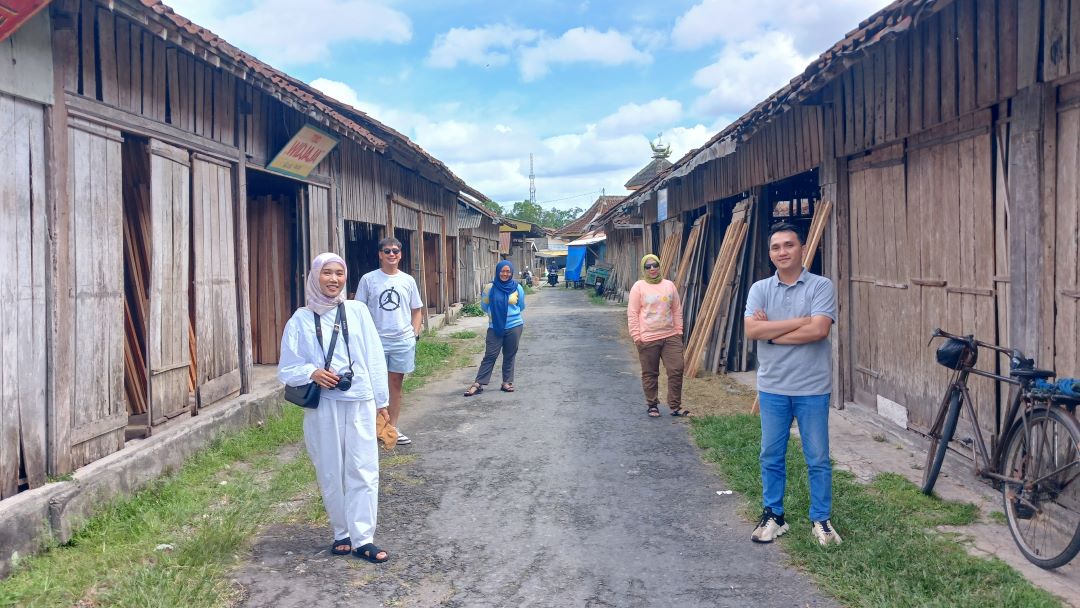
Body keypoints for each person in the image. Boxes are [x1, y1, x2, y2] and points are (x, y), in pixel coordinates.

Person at [278, 252, 391, 563]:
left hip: (360, 401)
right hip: (323, 406)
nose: (333, 279)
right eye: (327, 272)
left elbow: (374, 356)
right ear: (315, 277)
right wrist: (312, 372)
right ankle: (341, 532)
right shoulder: (300, 319)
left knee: (363, 469)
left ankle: (363, 538)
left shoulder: (357, 311)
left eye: (339, 273)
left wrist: (382, 401)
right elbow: (286, 368)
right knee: (330, 469)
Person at [743, 222, 841, 546]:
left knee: (818, 457)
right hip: (773, 387)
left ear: (802, 249)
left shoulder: (820, 286)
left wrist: (772, 332)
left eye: (789, 245)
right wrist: (801, 321)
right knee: (771, 454)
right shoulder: (760, 289)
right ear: (770, 253)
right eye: (775, 247)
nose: (782, 252)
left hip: (812, 387)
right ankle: (774, 515)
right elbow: (752, 331)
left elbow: (819, 330)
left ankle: (821, 519)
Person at [356, 237, 424, 446]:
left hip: (402, 341)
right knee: (372, 385)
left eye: (395, 251)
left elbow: (417, 310)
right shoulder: (368, 279)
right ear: (380, 255)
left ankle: (392, 429)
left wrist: (413, 334)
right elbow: (358, 310)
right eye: (387, 251)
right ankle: (373, 428)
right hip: (375, 341)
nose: (391, 254)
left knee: (395, 385)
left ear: (400, 255)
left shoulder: (408, 281)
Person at [627, 254, 689, 418]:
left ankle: (675, 406)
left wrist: (679, 331)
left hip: (671, 336)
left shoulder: (669, 285)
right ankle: (652, 405)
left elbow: (676, 310)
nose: (652, 269)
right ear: (643, 269)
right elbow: (633, 313)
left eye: (655, 265)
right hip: (647, 338)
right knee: (650, 373)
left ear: (660, 266)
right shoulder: (639, 287)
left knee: (676, 369)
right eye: (648, 266)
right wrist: (636, 336)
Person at [464, 260, 526, 396]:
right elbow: (484, 306)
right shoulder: (490, 288)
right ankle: (478, 383)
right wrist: (497, 316)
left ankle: (507, 382)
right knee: (490, 355)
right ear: (498, 272)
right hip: (495, 326)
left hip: (514, 325)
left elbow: (521, 306)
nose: (505, 274)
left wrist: (508, 315)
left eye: (508, 271)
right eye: (502, 271)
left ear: (511, 273)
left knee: (509, 354)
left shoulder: (517, 288)